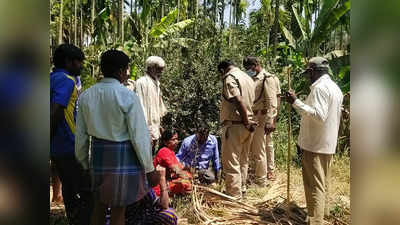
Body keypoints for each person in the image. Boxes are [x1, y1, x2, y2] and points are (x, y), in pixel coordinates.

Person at [75, 50, 159, 225]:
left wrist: (83, 164)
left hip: (98, 155)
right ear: (122, 71)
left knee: (98, 206)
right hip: (122, 157)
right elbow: (139, 136)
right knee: (118, 210)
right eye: (127, 69)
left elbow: (81, 135)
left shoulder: (86, 96)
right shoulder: (128, 96)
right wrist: (149, 168)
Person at [284, 57, 343, 225]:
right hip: (326, 144)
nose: (307, 78)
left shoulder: (319, 89)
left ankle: (316, 221)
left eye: (308, 74)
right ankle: (321, 215)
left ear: (312, 72)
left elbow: (319, 115)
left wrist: (295, 102)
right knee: (322, 183)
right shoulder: (335, 88)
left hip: (315, 145)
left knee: (314, 185)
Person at [50, 44, 92, 225]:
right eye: (79, 62)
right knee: (87, 189)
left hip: (56, 145)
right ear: (68, 62)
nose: (81, 66)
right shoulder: (67, 81)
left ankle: (74, 218)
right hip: (67, 142)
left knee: (69, 185)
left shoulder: (50, 78)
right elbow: (56, 110)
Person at [218, 60, 257, 199]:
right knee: (243, 159)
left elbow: (238, 100)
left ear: (223, 70)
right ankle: (242, 188)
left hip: (236, 124)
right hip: (249, 125)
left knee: (231, 161)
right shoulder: (247, 78)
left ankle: (234, 195)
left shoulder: (230, 78)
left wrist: (245, 121)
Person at [243, 56, 281, 183]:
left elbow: (272, 101)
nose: (248, 70)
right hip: (251, 116)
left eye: (249, 68)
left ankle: (262, 178)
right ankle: (254, 174)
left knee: (260, 149)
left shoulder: (267, 78)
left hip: (261, 117)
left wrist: (271, 121)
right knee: (251, 148)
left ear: (255, 65)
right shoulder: (251, 79)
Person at [135, 56, 167, 154]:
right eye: (158, 69)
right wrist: (146, 131)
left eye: (161, 70)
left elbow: (158, 107)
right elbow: (140, 106)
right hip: (146, 128)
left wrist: (159, 125)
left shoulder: (157, 83)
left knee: (151, 155)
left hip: (154, 127)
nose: (160, 72)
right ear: (151, 68)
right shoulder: (141, 82)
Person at [153, 129, 192, 196]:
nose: (176, 141)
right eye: (173, 140)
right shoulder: (164, 151)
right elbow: (176, 170)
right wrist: (187, 178)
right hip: (159, 186)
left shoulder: (170, 151)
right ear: (165, 142)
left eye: (176, 139)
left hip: (167, 181)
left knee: (188, 176)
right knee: (186, 184)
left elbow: (178, 167)